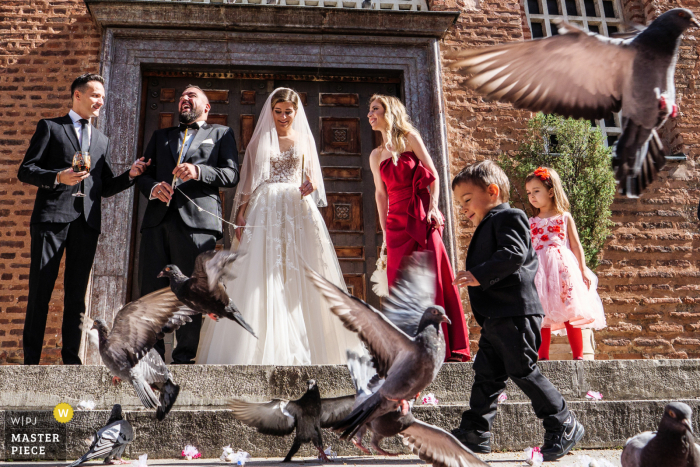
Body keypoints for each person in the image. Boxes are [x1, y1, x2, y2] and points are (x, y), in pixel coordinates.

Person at [196, 88, 361, 365]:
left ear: (296, 112)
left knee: (301, 269)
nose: (283, 116)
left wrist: (312, 184)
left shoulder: (304, 139)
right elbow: (249, 180)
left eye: (288, 111)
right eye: (278, 111)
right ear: (271, 112)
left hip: (297, 209)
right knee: (263, 271)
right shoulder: (261, 138)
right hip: (267, 208)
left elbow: (312, 177)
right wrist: (241, 213)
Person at [450, 160, 584, 461]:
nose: (464, 208)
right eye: (460, 203)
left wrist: (478, 273)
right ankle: (476, 431)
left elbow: (513, 254)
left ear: (493, 191)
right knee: (486, 375)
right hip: (497, 317)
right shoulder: (489, 223)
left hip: (515, 313)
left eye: (467, 200)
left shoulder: (510, 216)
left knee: (522, 369)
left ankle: (562, 421)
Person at [17, 73, 150, 365]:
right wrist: (57, 177)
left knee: (77, 295)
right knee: (41, 289)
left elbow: (102, 187)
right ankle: (30, 361)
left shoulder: (101, 139)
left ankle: (70, 359)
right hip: (51, 220)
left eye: (102, 97)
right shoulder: (51, 127)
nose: (100, 101)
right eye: (95, 95)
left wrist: (130, 176)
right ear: (77, 95)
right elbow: (25, 170)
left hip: (86, 224)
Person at [137, 85, 239, 364]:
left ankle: (185, 357)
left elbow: (231, 174)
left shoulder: (221, 134)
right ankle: (152, 356)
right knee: (152, 289)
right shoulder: (160, 137)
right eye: (182, 95)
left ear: (206, 107)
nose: (184, 98)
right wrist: (153, 187)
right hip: (157, 222)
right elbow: (141, 176)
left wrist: (199, 171)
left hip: (198, 223)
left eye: (192, 95)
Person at [367, 95, 470, 362]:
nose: (370, 114)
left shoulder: (410, 138)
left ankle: (444, 347)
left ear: (390, 112)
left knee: (433, 279)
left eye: (375, 109)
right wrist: (385, 232)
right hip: (396, 223)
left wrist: (434, 207)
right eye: (370, 110)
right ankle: (409, 351)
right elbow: (380, 195)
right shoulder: (376, 155)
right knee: (401, 286)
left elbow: (433, 175)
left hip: (421, 217)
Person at [525, 167, 606, 361]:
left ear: (551, 191)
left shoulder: (564, 217)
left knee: (570, 310)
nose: (532, 196)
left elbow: (576, 245)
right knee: (542, 313)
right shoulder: (531, 221)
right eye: (529, 192)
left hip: (563, 270)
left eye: (536, 191)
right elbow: (528, 248)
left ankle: (579, 356)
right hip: (539, 271)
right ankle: (542, 357)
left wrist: (583, 269)